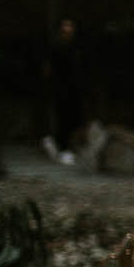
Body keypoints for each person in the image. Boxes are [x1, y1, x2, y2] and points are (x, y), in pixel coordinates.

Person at [42, 18, 85, 165]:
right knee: (62, 118)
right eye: (65, 27)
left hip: (73, 88)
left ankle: (65, 147)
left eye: (70, 27)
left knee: (73, 118)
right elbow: (48, 69)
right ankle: (62, 148)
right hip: (60, 88)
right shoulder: (56, 46)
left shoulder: (75, 46)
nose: (68, 30)